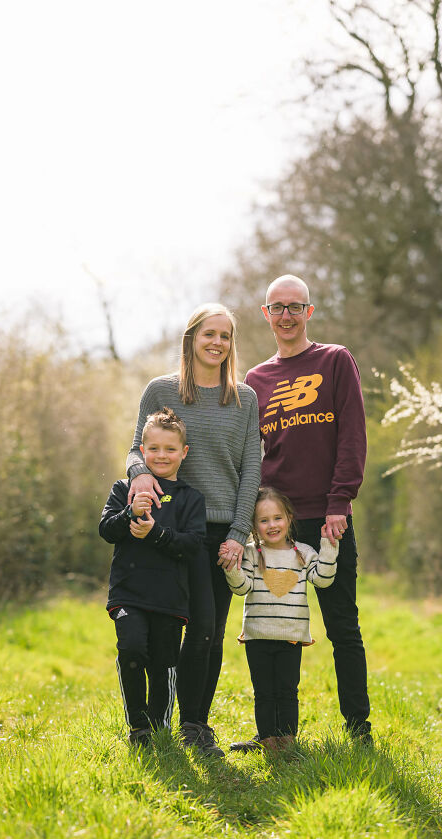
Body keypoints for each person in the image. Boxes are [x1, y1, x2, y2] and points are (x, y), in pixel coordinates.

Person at [126, 304, 261, 756]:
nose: (217, 343)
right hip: (166, 528)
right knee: (165, 629)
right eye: (209, 334)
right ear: (191, 339)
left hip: (218, 533)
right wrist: (140, 473)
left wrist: (239, 533)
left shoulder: (243, 399)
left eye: (225, 336)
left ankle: (196, 726)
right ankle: (149, 722)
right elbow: (135, 449)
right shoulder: (160, 390)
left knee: (208, 630)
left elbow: (251, 470)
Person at [244, 274, 372, 744]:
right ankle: (277, 733)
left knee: (342, 627)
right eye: (277, 307)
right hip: (277, 527)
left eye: (295, 306)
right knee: (272, 631)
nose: (286, 315)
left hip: (328, 520)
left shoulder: (335, 361)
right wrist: (252, 521)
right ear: (266, 315)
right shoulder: (255, 381)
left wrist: (340, 501)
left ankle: (359, 729)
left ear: (309, 312)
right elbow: (250, 458)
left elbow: (352, 436)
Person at [99, 408, 206, 747]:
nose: (162, 456)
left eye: (170, 449)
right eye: (154, 449)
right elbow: (106, 530)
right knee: (131, 650)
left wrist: (156, 533)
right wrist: (129, 513)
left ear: (183, 453)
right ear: (142, 451)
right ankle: (138, 727)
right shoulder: (124, 489)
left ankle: (159, 729)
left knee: (163, 664)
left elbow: (192, 545)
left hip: (170, 599)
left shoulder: (191, 498)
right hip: (128, 594)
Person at [224, 487, 338, 753]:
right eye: (263, 521)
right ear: (254, 525)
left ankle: (287, 743)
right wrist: (232, 569)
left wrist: (329, 547)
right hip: (257, 636)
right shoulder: (252, 553)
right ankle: (267, 742)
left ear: (288, 517)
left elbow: (323, 579)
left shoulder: (304, 552)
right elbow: (242, 588)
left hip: (291, 636)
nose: (272, 525)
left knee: (287, 691)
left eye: (277, 518)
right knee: (263, 691)